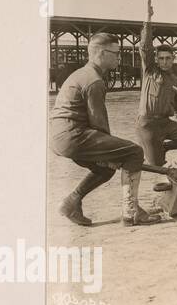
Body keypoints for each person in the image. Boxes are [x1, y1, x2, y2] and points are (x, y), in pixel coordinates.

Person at [49, 32, 160, 227]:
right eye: (116, 53)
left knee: (104, 169)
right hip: (74, 135)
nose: (119, 57)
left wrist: (110, 157)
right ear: (101, 54)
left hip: (59, 138)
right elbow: (99, 125)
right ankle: (131, 212)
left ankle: (71, 202)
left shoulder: (82, 74)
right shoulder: (94, 81)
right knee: (134, 152)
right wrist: (115, 155)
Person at [134, 0, 177, 192]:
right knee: (156, 167)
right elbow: (145, 45)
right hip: (147, 125)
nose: (164, 62)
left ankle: (166, 147)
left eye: (168, 58)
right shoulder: (150, 72)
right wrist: (148, 18)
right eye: (161, 58)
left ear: (173, 59)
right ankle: (158, 152)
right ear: (156, 59)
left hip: (166, 124)